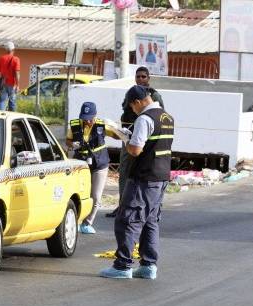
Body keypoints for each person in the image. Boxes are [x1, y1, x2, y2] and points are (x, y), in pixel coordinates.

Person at [99, 85, 174, 279]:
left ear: (138, 102)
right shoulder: (166, 117)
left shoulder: (144, 119)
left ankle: (123, 265)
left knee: (128, 220)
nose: (132, 110)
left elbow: (135, 150)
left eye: (132, 106)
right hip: (161, 176)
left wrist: (123, 136)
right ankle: (149, 265)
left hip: (144, 177)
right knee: (150, 221)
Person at [106, 66, 164, 218]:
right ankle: (122, 206)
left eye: (144, 76)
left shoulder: (154, 96)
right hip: (128, 137)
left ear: (148, 78)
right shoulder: (131, 93)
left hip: (145, 141)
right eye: (138, 76)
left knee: (144, 175)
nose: (140, 79)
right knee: (125, 172)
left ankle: (143, 208)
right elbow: (125, 111)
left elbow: (159, 117)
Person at [67, 102, 130, 234]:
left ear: (95, 115)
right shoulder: (74, 125)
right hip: (81, 164)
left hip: (99, 163)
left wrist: (122, 132)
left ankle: (87, 222)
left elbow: (117, 135)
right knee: (80, 193)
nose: (88, 121)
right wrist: (73, 144)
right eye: (85, 118)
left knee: (95, 195)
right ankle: (77, 221)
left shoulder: (102, 125)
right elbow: (68, 140)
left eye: (90, 118)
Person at [0, 41, 20, 111]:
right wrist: (17, 85)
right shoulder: (16, 59)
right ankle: (12, 116)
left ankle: (1, 116)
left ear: (6, 50)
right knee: (12, 101)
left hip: (3, 83)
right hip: (12, 84)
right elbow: (17, 73)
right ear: (13, 50)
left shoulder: (1, 58)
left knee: (2, 100)